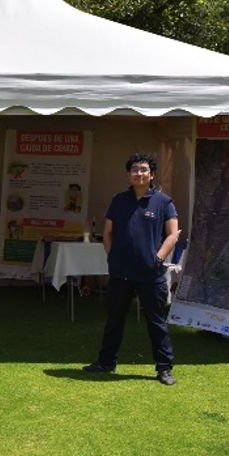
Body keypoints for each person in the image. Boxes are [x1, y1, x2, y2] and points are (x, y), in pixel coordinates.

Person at [83, 153, 181, 386]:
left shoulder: (164, 202)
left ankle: (164, 368)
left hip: (151, 274)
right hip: (121, 273)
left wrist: (158, 259)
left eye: (144, 169)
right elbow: (107, 232)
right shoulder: (118, 200)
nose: (139, 173)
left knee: (156, 322)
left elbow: (173, 235)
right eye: (135, 169)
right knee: (114, 320)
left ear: (152, 174)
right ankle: (106, 362)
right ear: (129, 174)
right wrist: (113, 255)